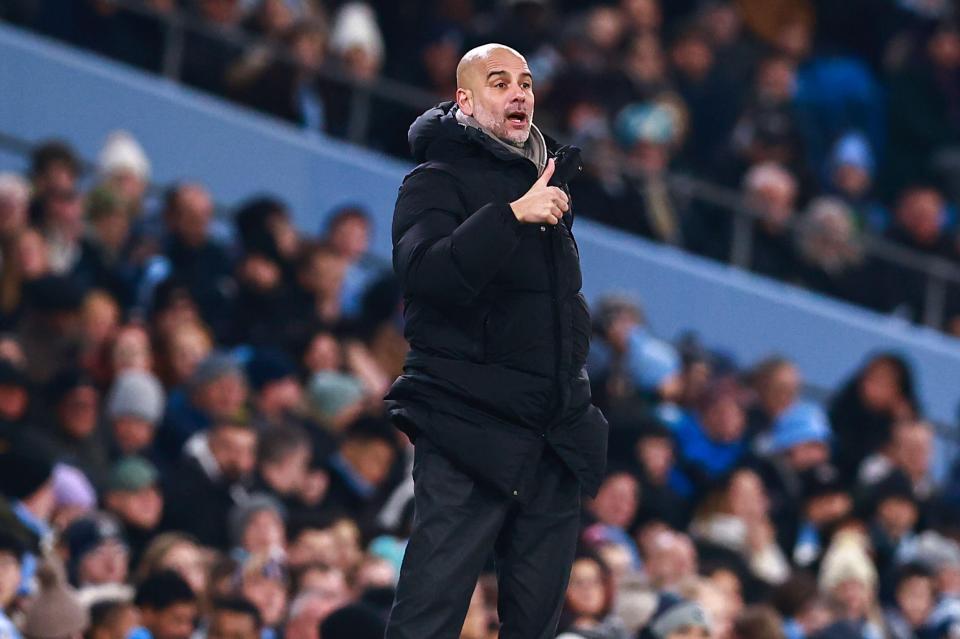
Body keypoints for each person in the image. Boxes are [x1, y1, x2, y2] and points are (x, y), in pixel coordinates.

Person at [383, 43, 609, 638]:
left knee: (534, 625)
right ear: (464, 99)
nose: (519, 94)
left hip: (550, 432)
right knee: (431, 613)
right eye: (500, 82)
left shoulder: (548, 182)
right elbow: (425, 275)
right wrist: (509, 216)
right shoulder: (433, 180)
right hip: (467, 425)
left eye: (527, 83)